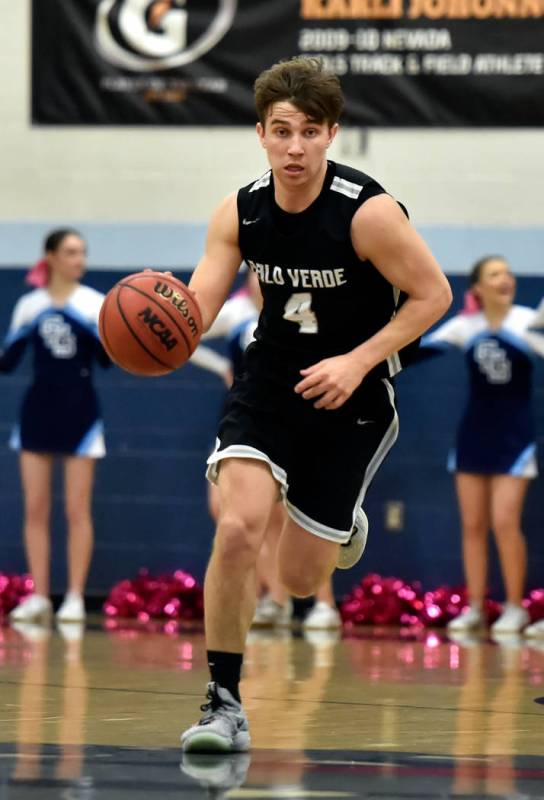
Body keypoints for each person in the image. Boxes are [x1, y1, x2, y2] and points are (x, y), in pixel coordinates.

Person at [180, 55, 451, 753]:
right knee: (238, 529)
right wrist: (165, 321)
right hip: (269, 382)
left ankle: (341, 524)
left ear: (331, 134)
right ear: (261, 135)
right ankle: (222, 702)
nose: (293, 147)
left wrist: (359, 360)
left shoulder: (368, 213)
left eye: (308, 131)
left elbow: (435, 297)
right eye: (280, 131)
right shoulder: (241, 210)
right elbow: (201, 308)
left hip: (352, 393)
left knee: (302, 579)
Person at [193, 272, 342, 631]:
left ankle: (324, 605)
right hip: (242, 416)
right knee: (230, 512)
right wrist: (221, 368)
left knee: (290, 517)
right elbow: (187, 335)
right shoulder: (235, 311)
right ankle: (276, 598)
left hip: (294, 417)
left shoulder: (300, 307)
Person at [418, 256, 544, 635]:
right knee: (473, 525)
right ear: (477, 289)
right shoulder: (464, 326)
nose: (505, 278)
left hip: (515, 439)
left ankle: (514, 608)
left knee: (505, 522)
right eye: (495, 274)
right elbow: (417, 349)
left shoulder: (529, 322)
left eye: (508, 272)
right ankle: (474, 607)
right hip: (473, 436)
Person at [0, 229, 110, 625]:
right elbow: (7, 361)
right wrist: (35, 323)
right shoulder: (30, 305)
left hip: (81, 413)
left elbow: (107, 360)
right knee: (35, 508)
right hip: (37, 413)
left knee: (77, 509)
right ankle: (41, 596)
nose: (79, 259)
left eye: (83, 252)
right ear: (50, 257)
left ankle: (76, 598)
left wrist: (83, 324)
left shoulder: (94, 303)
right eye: (71, 252)